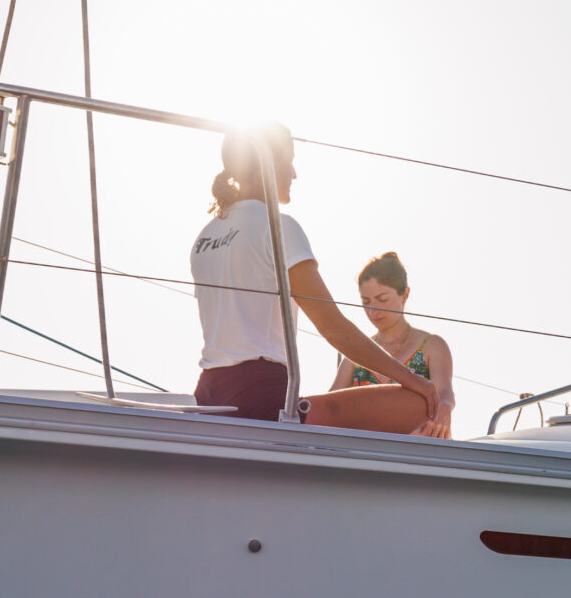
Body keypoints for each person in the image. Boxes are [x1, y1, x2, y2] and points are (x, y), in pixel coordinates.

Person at [190, 127, 450, 435]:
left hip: (208, 394)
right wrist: (413, 380)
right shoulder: (278, 226)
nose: (294, 174)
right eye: (289, 161)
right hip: (261, 398)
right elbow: (332, 326)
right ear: (267, 166)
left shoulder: (204, 237)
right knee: (419, 405)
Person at [331, 253, 456, 440]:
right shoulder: (356, 353)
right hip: (361, 456)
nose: (373, 311)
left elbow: (444, 391)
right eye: (366, 302)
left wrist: (445, 407)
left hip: (420, 456)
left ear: (405, 294)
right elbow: (331, 404)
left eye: (382, 299)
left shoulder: (432, 346)